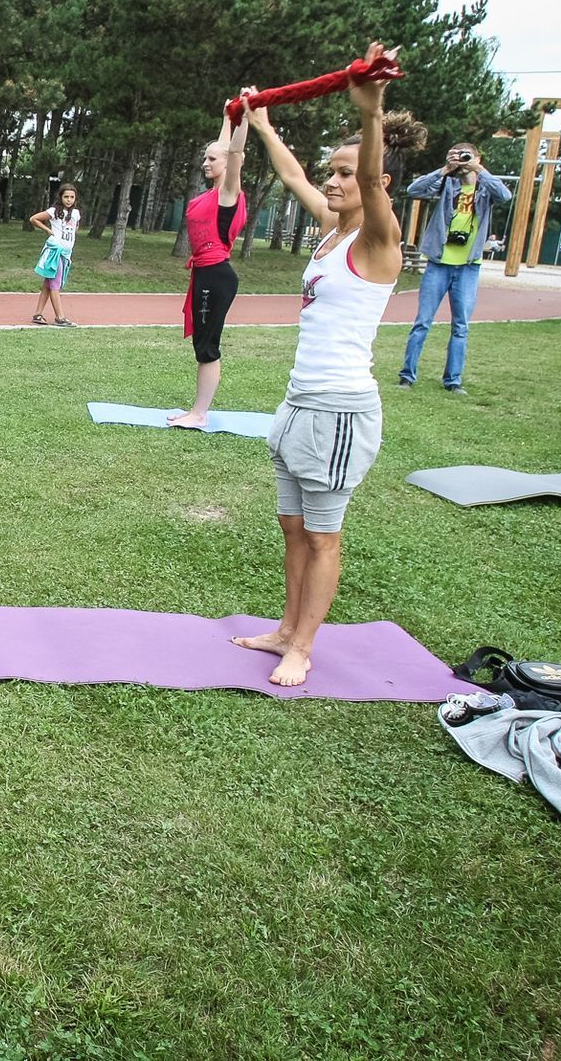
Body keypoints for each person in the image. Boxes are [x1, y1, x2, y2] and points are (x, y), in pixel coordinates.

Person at [233, 46, 408, 686]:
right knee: (291, 527)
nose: (332, 182)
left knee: (322, 538)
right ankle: (285, 628)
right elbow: (292, 178)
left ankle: (304, 646)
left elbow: (370, 177)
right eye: (330, 173)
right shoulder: (332, 231)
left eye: (345, 175)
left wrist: (371, 115)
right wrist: (262, 125)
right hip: (298, 404)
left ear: (376, 184)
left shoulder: (377, 243)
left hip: (340, 411)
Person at [397, 139, 511, 393]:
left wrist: (479, 169)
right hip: (439, 264)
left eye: (468, 156)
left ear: (478, 159)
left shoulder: (485, 190)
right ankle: (407, 375)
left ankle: (453, 380)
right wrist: (444, 170)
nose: (464, 161)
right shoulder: (446, 184)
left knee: (461, 326)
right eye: (460, 156)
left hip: (468, 267)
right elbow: (415, 190)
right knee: (422, 321)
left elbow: (505, 195)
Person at [167, 115, 251, 428]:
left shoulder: (227, 194)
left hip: (215, 275)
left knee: (207, 347)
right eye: (205, 156)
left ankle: (199, 415)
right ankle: (197, 410)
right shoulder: (210, 194)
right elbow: (226, 148)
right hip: (206, 273)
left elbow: (235, 154)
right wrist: (230, 116)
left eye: (212, 158)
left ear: (227, 163)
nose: (206, 161)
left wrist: (247, 114)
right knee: (202, 344)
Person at [28, 183, 81, 327]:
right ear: (61, 197)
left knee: (48, 284)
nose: (69, 200)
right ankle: (60, 317)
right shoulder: (54, 211)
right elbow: (34, 219)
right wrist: (48, 230)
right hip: (55, 251)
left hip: (66, 254)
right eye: (66, 197)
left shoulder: (75, 214)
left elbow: (75, 229)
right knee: (55, 284)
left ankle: (38, 314)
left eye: (71, 197)